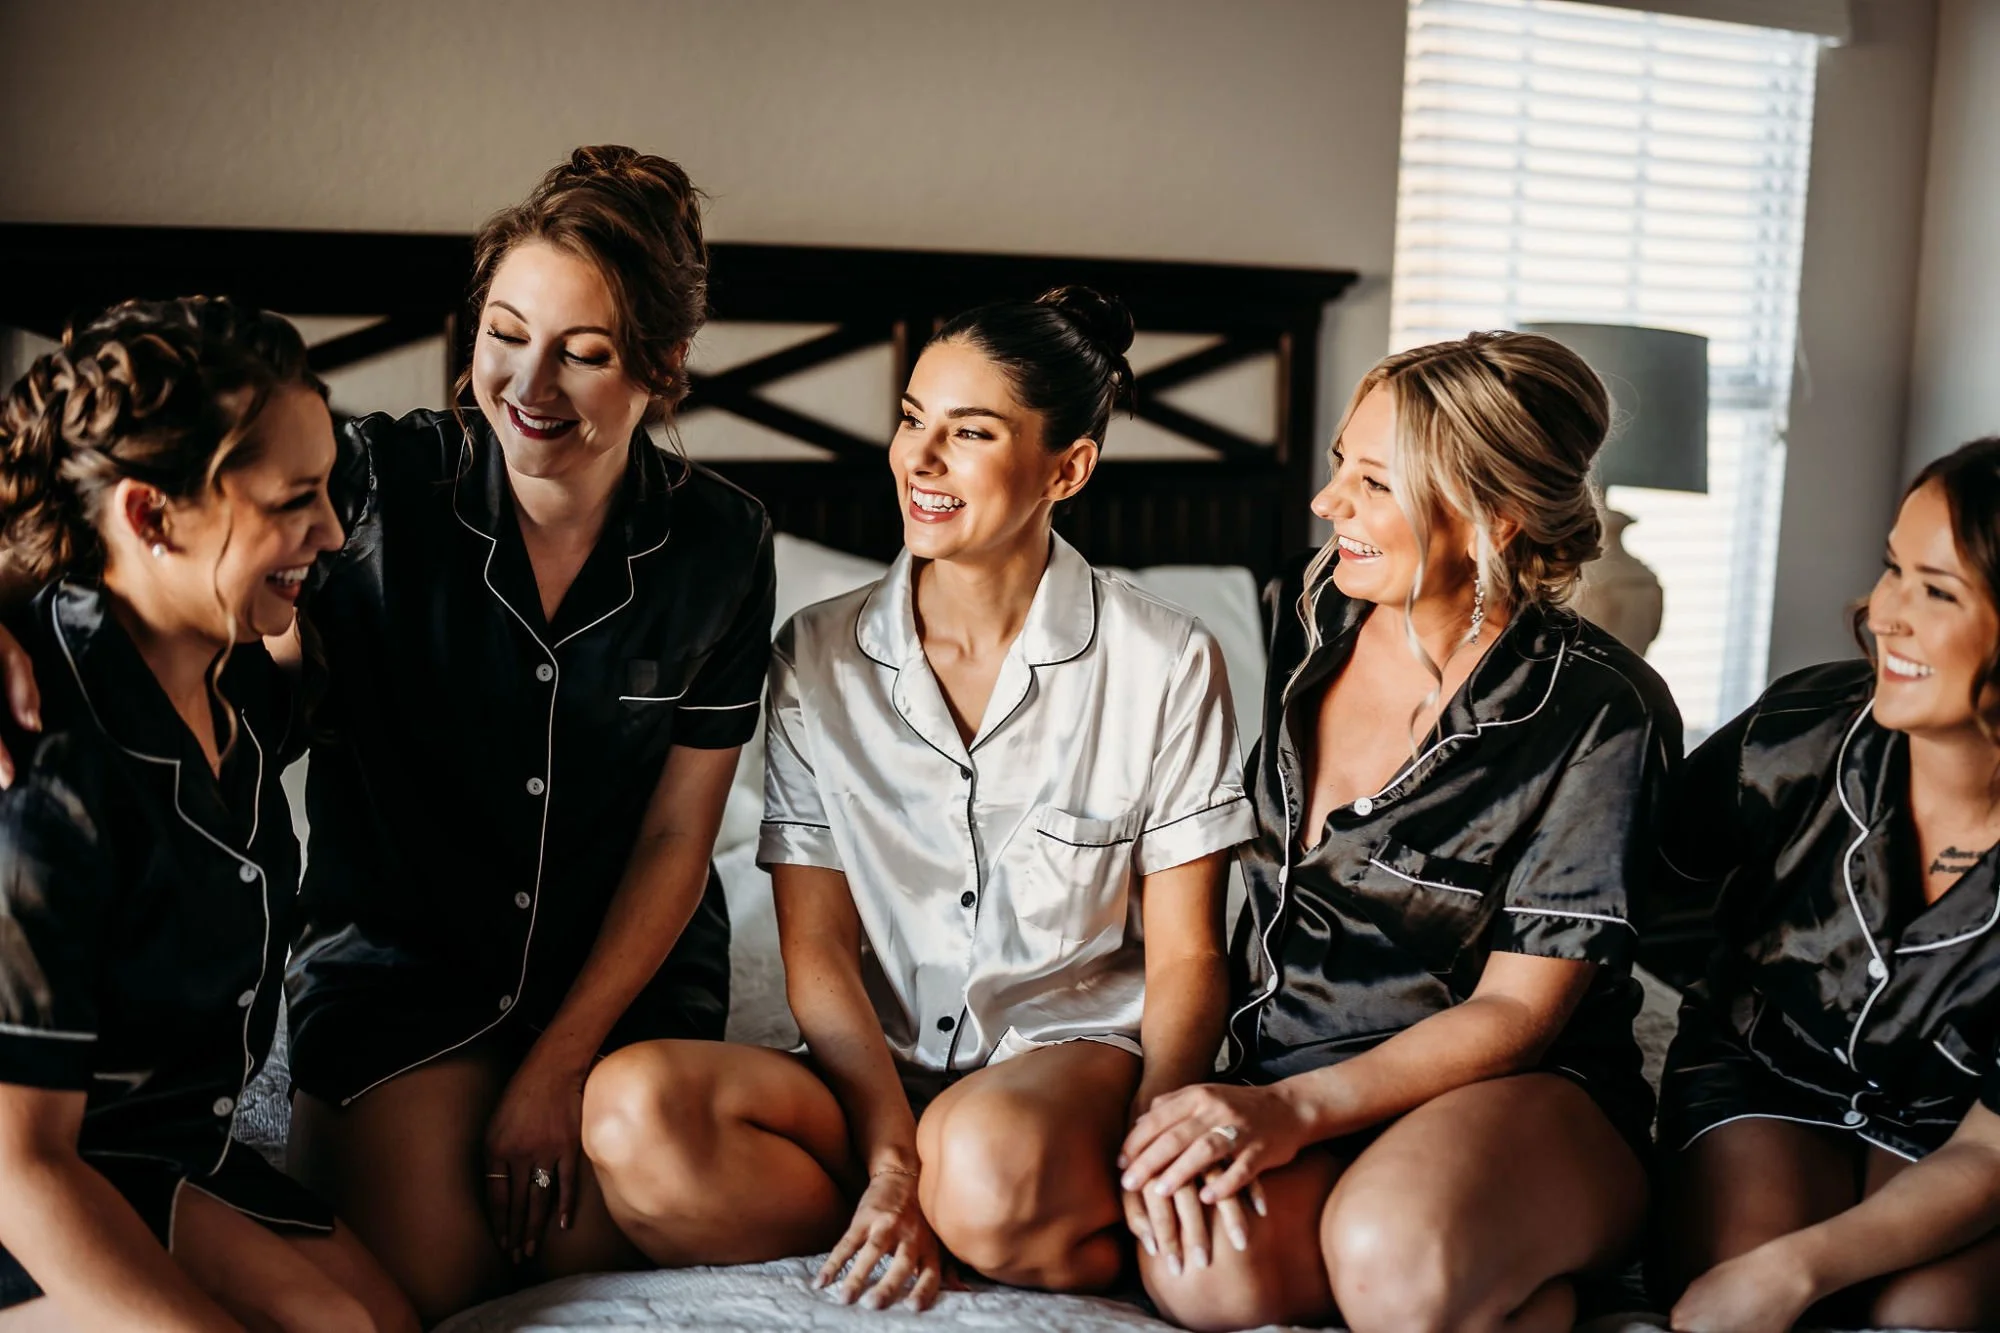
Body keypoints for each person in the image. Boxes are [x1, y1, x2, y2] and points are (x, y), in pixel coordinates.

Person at [579, 288, 1256, 1310]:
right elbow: (815, 954)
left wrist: (1153, 1139)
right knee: (631, 1110)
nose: (918, 459)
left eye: (969, 432)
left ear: (1065, 469)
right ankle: (922, 1209)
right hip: (871, 1077)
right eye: (910, 418)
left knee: (980, 1154)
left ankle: (999, 1206)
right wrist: (891, 1159)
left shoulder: (1165, 660)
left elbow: (1188, 956)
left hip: (1063, 1071)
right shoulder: (815, 655)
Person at [252, 146, 775, 1323]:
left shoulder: (722, 543)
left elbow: (677, 838)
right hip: (400, 972)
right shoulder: (369, 481)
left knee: (643, 1156)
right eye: (504, 331)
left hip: (620, 989)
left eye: (584, 353)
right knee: (435, 1274)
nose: (528, 383)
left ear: (662, 366)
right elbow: (130, 492)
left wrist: (557, 1069)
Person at [1119, 332, 1680, 1333]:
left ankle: (1473, 1248)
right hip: (1292, 1060)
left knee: (1389, 1258)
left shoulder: (1599, 710)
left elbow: (1519, 1014)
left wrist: (1287, 1117)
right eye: (1340, 461)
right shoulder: (1309, 606)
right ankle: (1489, 1277)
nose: (1325, 502)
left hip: (1516, 1088)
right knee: (1204, 1266)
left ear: (1490, 519)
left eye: (1370, 482)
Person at [0, 297, 414, 1331]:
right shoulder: (44, 770)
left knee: (378, 1323)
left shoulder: (229, 672)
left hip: (174, 1148)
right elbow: (17, 1166)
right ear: (148, 515)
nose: (329, 532)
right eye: (295, 502)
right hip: (32, 1175)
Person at [1650, 438, 2000, 1333]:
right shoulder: (1797, 735)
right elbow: (1623, 883)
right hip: (1763, 1070)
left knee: (1928, 1315)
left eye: (1938, 590)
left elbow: (1992, 1145)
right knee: (1744, 1285)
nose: (1886, 614)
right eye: (1893, 569)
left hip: (1956, 1126)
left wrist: (1796, 1269)